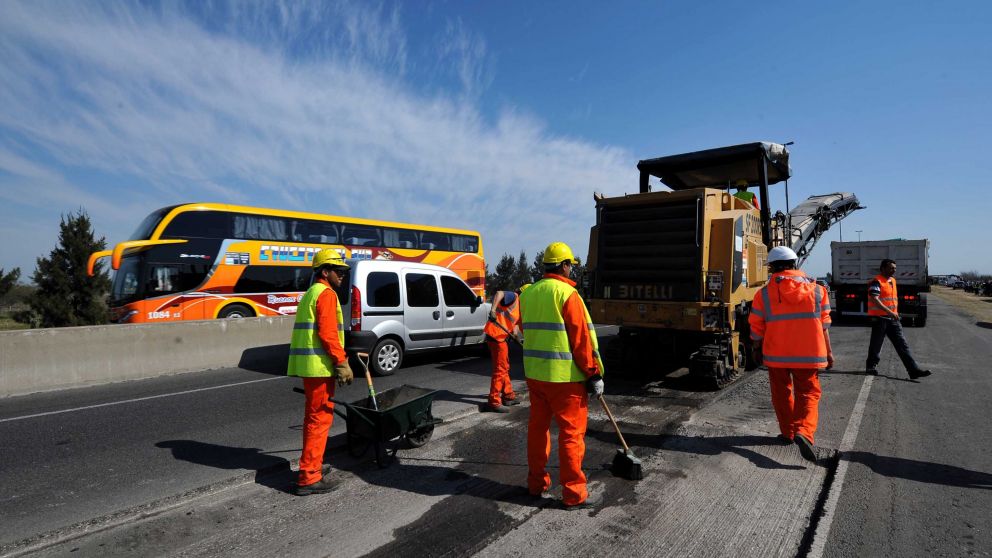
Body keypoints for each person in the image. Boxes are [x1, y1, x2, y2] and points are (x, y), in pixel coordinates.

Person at [519, 242, 605, 509]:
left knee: (538, 430)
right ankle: (574, 494)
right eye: (570, 265)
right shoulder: (568, 294)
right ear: (564, 265)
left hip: (536, 376)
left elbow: (526, 330)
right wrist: (593, 374)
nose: (572, 270)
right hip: (565, 380)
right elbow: (581, 340)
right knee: (571, 435)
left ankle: (536, 484)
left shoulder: (528, 294)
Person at [749, 246, 833, 463]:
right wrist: (829, 352)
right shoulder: (818, 291)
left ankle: (788, 433)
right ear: (795, 263)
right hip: (809, 354)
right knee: (808, 394)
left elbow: (756, 328)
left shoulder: (763, 294)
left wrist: (756, 349)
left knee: (781, 394)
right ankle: (804, 432)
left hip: (776, 355)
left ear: (771, 268)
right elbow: (824, 326)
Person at [287, 249, 355, 496]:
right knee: (319, 420)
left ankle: (312, 466)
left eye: (344, 271)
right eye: (338, 271)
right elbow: (328, 334)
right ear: (325, 272)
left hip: (311, 368)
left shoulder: (311, 292)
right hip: (319, 368)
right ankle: (309, 477)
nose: (342, 275)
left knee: (313, 419)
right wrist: (342, 362)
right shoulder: (325, 294)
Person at [865, 259, 932, 379]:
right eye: (891, 268)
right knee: (876, 344)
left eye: (895, 268)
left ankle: (913, 370)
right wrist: (889, 312)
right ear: (883, 268)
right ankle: (871, 367)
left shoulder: (893, 281)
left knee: (902, 344)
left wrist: (893, 313)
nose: (894, 270)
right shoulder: (877, 281)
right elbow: (875, 298)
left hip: (893, 319)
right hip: (879, 319)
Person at [482, 284, 530, 413]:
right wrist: (492, 310)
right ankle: (493, 402)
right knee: (500, 369)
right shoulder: (513, 297)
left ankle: (508, 395)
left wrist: (517, 336)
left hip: (500, 337)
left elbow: (516, 325)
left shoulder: (520, 307)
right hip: (496, 336)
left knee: (504, 367)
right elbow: (499, 293)